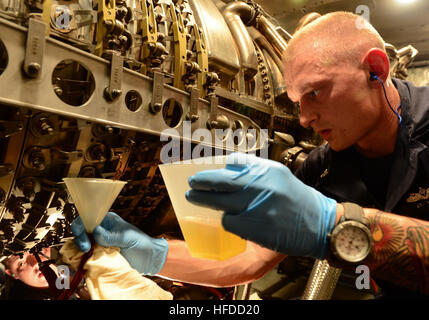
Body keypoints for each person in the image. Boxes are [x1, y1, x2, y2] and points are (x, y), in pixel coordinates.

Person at [71, 11, 429, 298]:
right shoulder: (325, 168)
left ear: (376, 70)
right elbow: (250, 257)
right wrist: (152, 254)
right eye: (297, 102)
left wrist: (333, 225)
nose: (305, 117)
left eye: (316, 93)